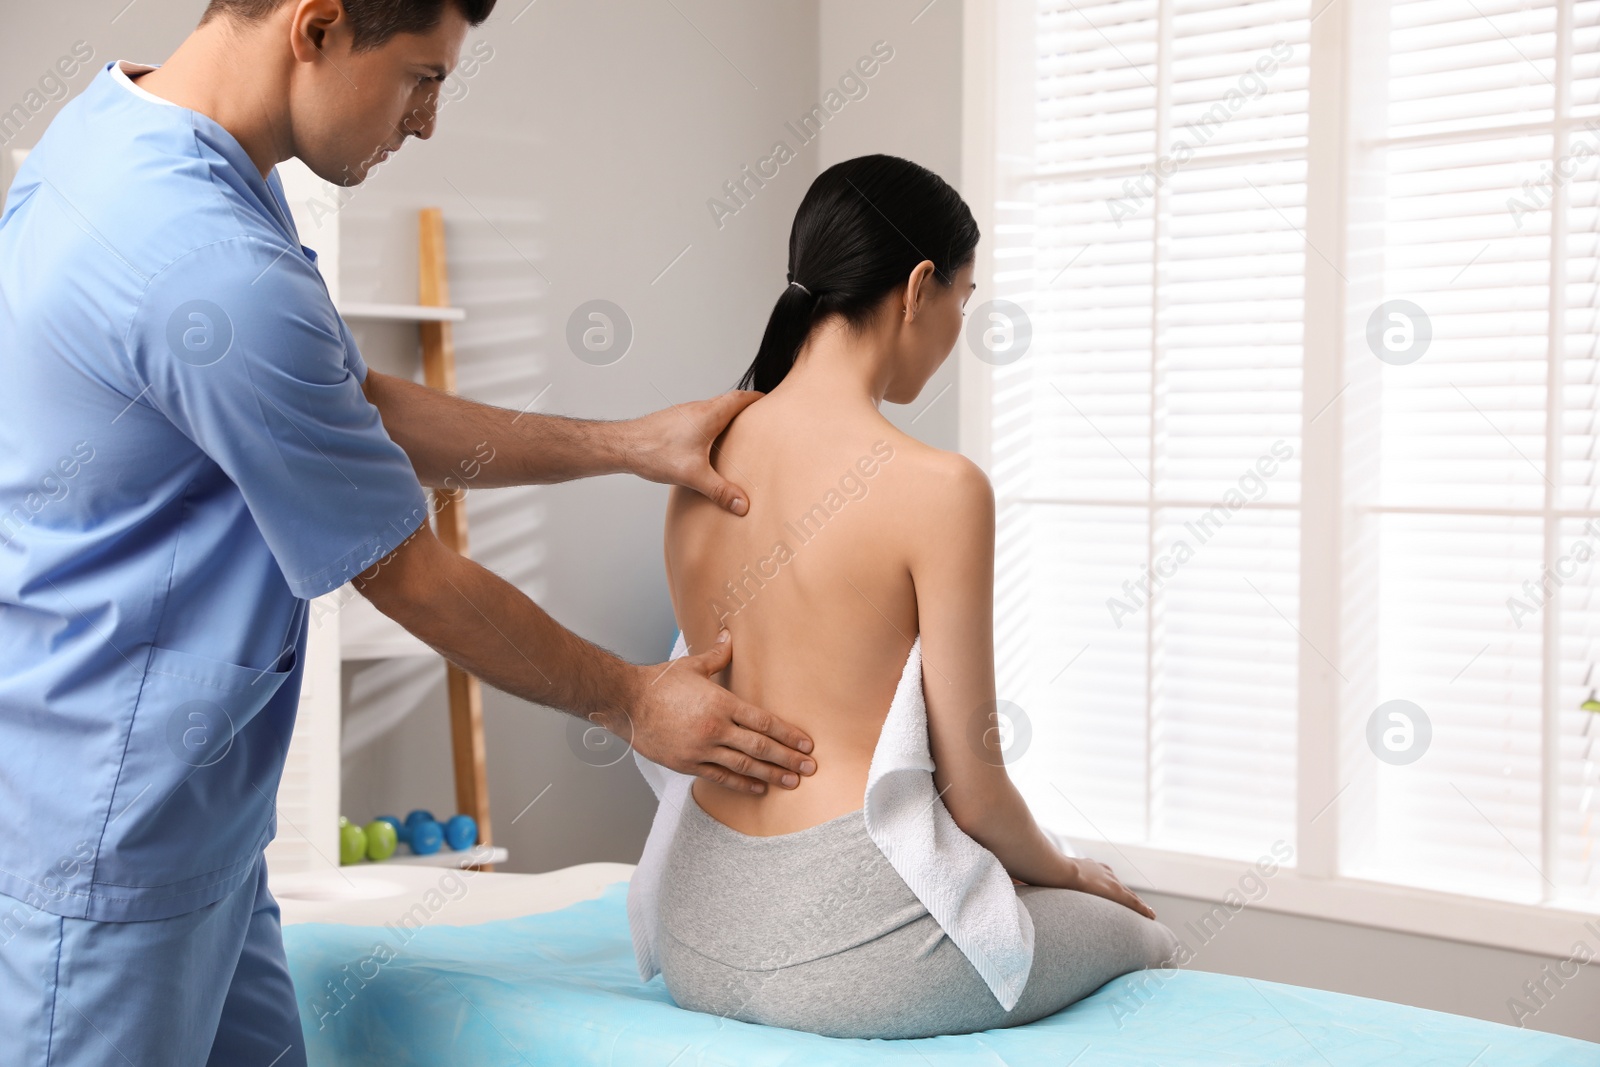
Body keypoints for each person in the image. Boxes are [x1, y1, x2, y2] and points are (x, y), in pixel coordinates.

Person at [0, 1, 816, 1063]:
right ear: (318, 26)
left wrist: (628, 442)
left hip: (195, 822)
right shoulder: (212, 266)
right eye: (420, 78)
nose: (426, 120)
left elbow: (349, 399)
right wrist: (631, 696)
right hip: (113, 844)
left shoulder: (121, 131)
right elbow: (407, 573)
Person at [634, 155, 1179, 1039]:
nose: (960, 324)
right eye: (965, 299)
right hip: (854, 946)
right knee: (1141, 937)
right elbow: (976, 791)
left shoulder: (696, 461)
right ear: (919, 286)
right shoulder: (940, 487)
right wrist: (1069, 873)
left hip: (695, 929)